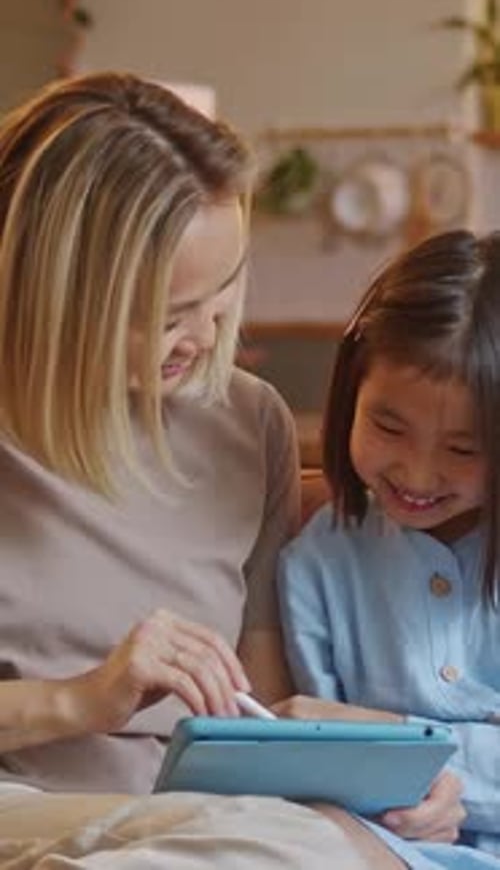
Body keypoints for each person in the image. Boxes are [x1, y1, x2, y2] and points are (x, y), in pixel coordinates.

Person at [0, 69, 424, 869]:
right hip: (24, 805)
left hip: (194, 822)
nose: (201, 339)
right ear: (52, 297)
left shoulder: (246, 421)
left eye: (224, 293)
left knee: (327, 843)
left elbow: (255, 705)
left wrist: (380, 772)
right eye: (163, 316)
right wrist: (84, 698)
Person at [278, 229, 500, 869]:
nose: (418, 474)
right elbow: (328, 767)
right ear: (351, 393)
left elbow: (359, 737)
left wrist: (405, 742)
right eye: (387, 426)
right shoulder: (320, 559)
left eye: (463, 449)